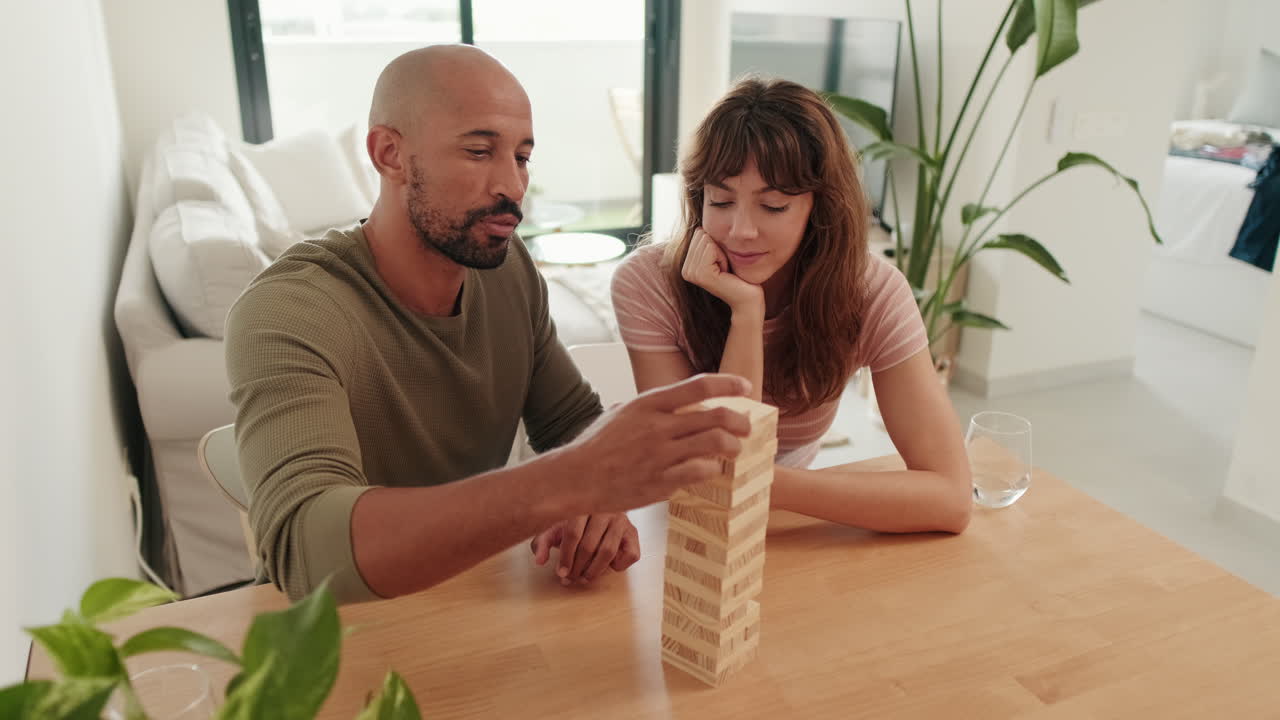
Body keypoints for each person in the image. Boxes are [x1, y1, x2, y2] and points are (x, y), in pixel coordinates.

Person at [224, 45, 753, 604]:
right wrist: (568, 483)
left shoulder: (505, 267)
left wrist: (594, 502)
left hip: (477, 598)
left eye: (522, 157)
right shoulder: (289, 312)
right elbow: (309, 552)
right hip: (340, 634)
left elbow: (570, 420)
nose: (513, 186)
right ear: (389, 154)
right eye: (479, 151)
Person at [610, 77, 971, 534]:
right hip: (678, 521)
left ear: (820, 207)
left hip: (780, 518)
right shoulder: (648, 284)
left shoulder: (871, 290)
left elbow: (952, 500)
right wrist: (746, 313)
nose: (741, 230)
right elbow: (708, 471)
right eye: (720, 200)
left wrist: (760, 481)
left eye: (774, 206)